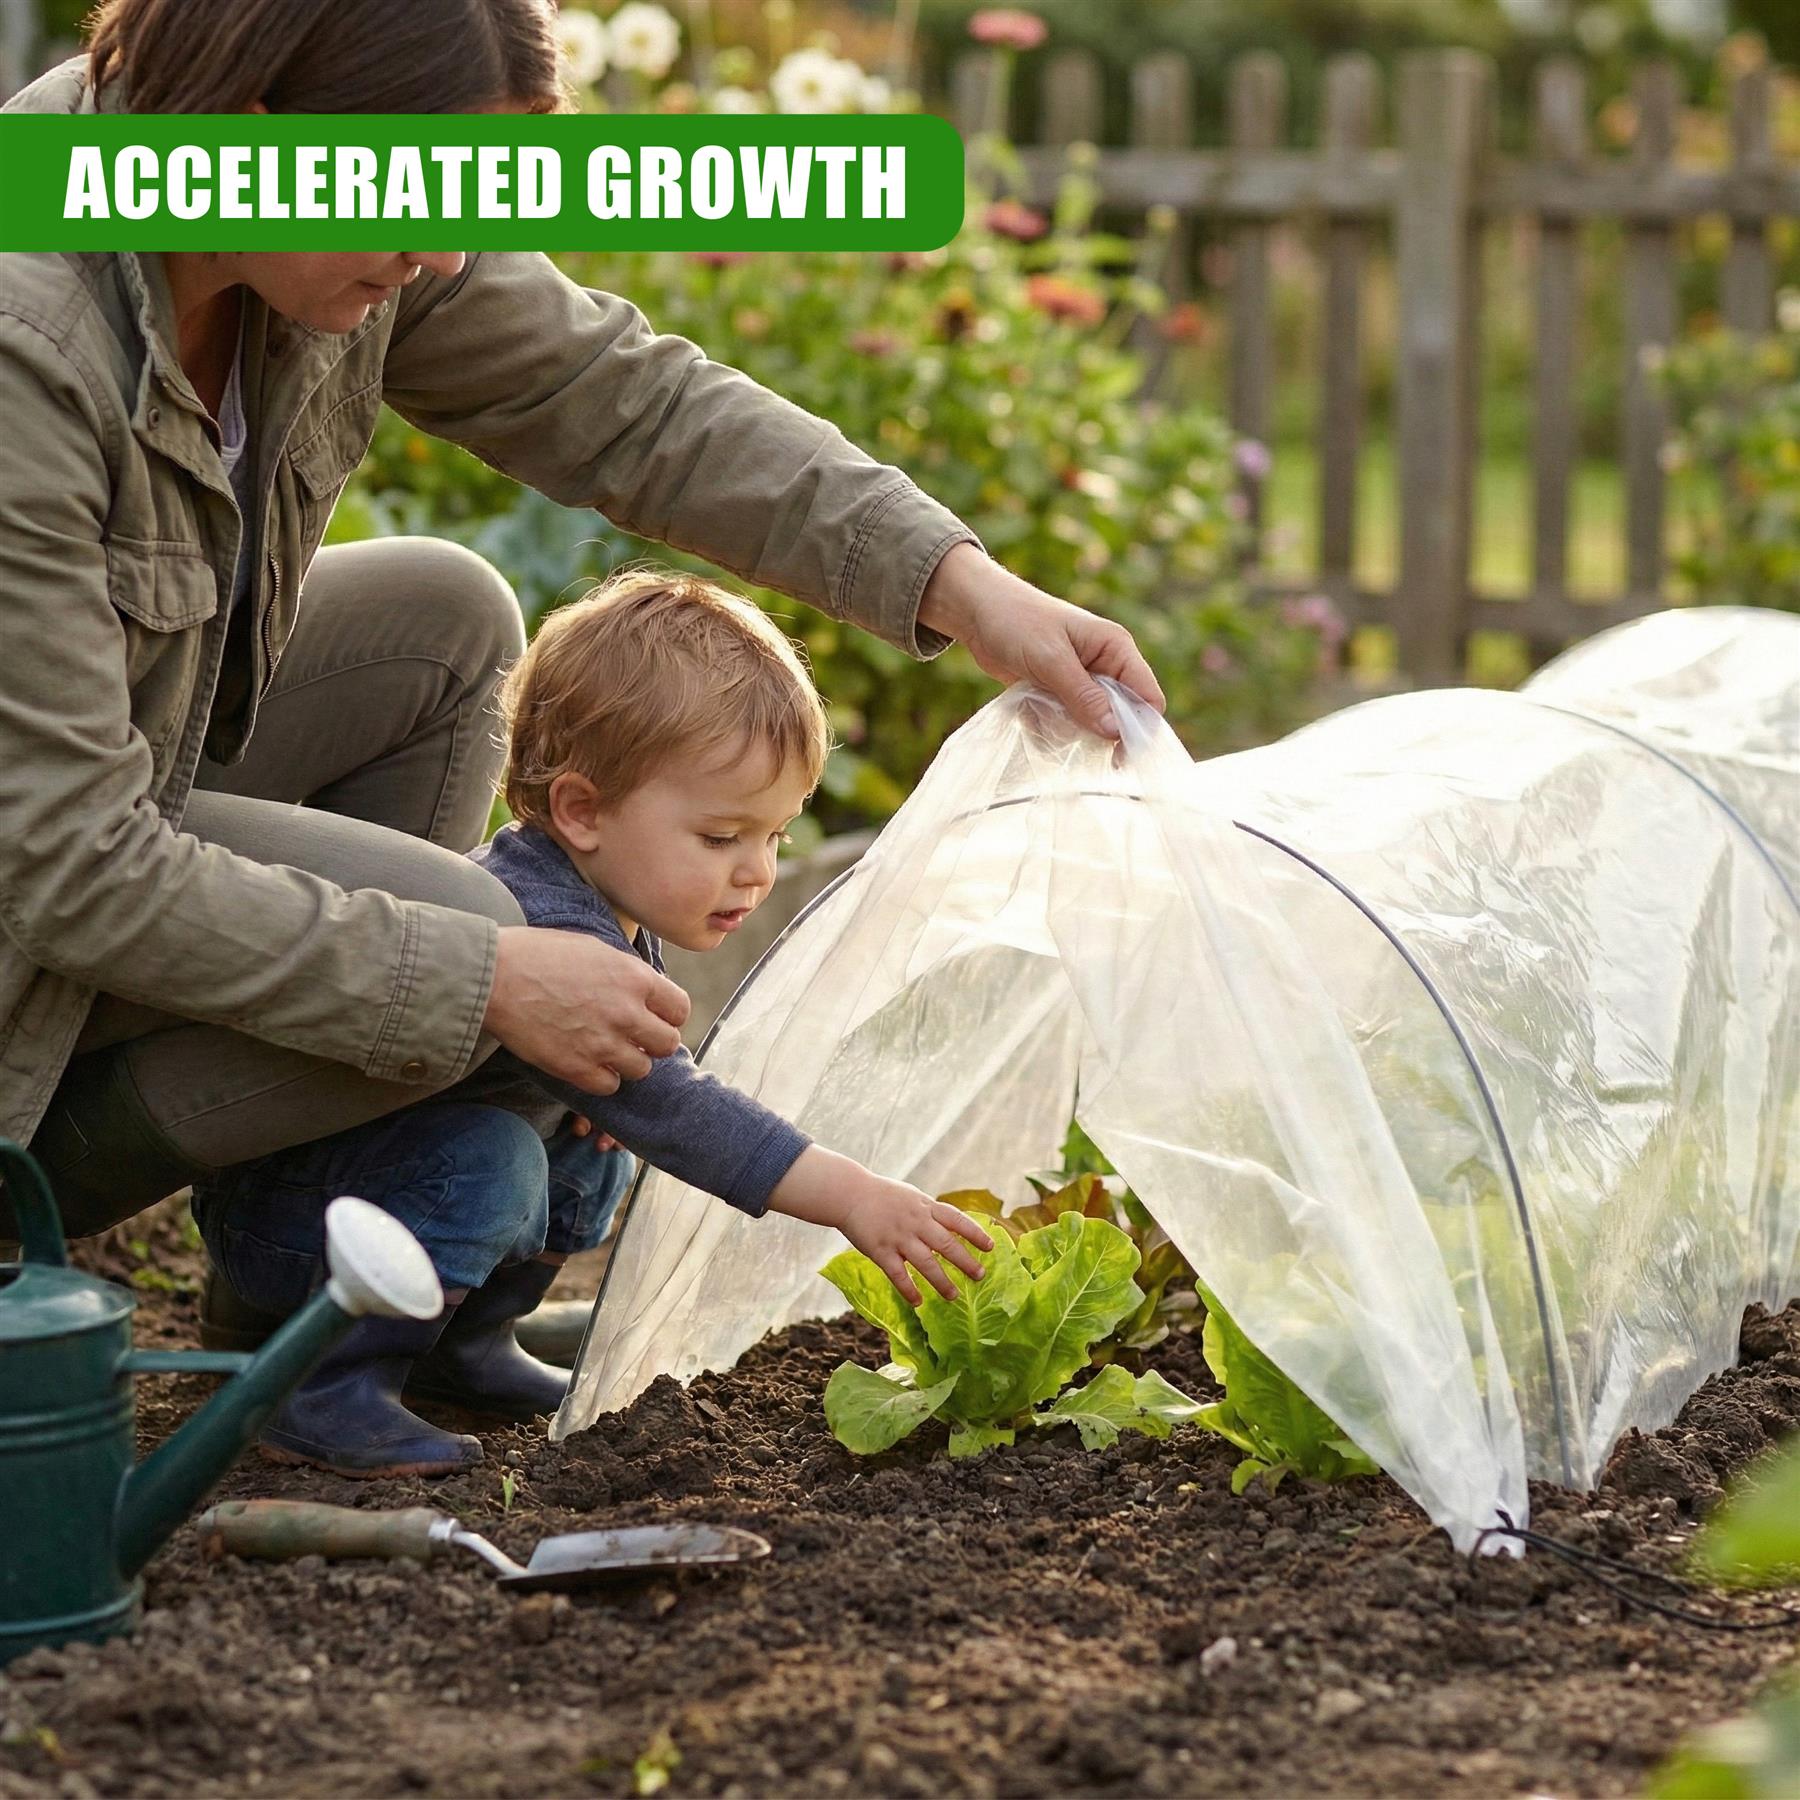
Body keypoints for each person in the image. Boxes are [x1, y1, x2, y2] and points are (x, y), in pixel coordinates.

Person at [0, 0, 1163, 1280]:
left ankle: (385, 1256)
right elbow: (60, 860)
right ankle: (50, 1197)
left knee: (443, 628)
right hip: (41, 871)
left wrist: (959, 584)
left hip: (97, 804)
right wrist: (475, 981)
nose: (445, 257)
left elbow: (621, 400)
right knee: (461, 931)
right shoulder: (28, 340)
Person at [191, 570, 996, 1477]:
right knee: (506, 1158)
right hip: (301, 1229)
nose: (758, 873)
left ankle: (465, 1347)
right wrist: (852, 1196)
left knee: (589, 1140)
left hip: (381, 1190)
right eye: (722, 837)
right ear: (582, 811)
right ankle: (322, 1389)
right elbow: (681, 1113)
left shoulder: (606, 894)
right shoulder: (536, 911)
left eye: (775, 836)